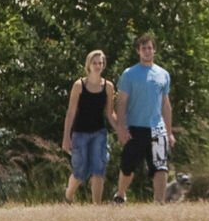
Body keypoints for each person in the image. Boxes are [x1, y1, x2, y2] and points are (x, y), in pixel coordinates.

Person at [115, 33, 173, 204]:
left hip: (157, 128)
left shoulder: (163, 74)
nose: (147, 51)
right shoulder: (129, 74)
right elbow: (121, 102)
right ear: (138, 51)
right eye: (143, 48)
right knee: (128, 166)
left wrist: (169, 132)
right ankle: (120, 195)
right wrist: (121, 128)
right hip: (135, 127)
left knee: (160, 166)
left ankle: (159, 202)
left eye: (150, 48)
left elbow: (165, 104)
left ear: (154, 50)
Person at [64, 48, 119, 204]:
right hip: (80, 132)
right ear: (88, 65)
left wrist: (121, 130)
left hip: (99, 132)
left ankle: (96, 205)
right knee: (80, 171)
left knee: (98, 168)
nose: (97, 66)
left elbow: (110, 113)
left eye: (100, 63)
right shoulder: (79, 85)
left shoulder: (108, 86)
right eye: (94, 63)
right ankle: (68, 196)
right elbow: (71, 112)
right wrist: (66, 137)